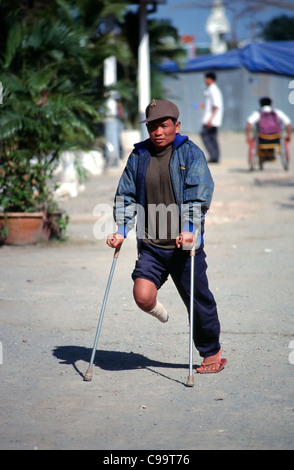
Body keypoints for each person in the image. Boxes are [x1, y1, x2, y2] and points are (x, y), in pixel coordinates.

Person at [106, 99, 227, 374]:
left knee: (198, 300)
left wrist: (190, 229)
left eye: (164, 125)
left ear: (177, 125)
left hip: (184, 247)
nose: (158, 131)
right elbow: (126, 195)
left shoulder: (190, 153)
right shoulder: (138, 156)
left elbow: (198, 196)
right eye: (152, 126)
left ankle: (212, 353)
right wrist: (121, 231)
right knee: (142, 296)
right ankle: (162, 313)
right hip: (151, 244)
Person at [200, 71, 224, 164]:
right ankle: (214, 156)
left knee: (205, 135)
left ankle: (214, 156)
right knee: (212, 137)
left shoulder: (213, 90)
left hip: (212, 120)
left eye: (206, 78)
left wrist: (211, 119)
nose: (205, 81)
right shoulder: (211, 89)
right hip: (212, 119)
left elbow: (216, 106)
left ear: (210, 79)